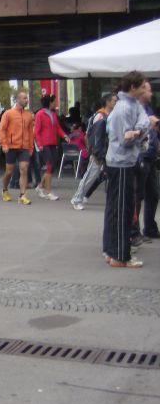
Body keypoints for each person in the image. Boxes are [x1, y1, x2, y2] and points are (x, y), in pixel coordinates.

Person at [103, 71, 150, 268]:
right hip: (121, 163)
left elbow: (143, 123)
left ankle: (112, 251)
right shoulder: (124, 108)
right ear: (133, 88)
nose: (146, 91)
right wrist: (140, 134)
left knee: (117, 209)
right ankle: (120, 256)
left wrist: (139, 131)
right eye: (143, 87)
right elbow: (124, 140)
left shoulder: (130, 105)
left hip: (121, 163)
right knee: (122, 210)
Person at [70, 94, 117, 210]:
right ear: (107, 102)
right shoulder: (101, 117)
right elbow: (96, 137)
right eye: (114, 100)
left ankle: (80, 198)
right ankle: (77, 199)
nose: (116, 102)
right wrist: (97, 152)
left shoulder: (107, 116)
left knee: (95, 176)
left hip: (105, 152)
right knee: (90, 176)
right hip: (100, 153)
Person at [131, 81, 159, 244]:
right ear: (141, 92)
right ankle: (135, 231)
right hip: (141, 157)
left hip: (151, 157)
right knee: (138, 195)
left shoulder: (148, 109)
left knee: (153, 194)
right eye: (148, 90)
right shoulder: (135, 110)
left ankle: (150, 227)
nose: (151, 93)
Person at [0, 90, 34, 205]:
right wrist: (4, 144)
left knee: (24, 168)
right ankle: (4, 189)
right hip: (11, 146)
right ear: (18, 100)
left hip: (24, 147)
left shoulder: (29, 115)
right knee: (9, 171)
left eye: (27, 98)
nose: (26, 100)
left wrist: (31, 147)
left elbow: (30, 132)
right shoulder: (8, 113)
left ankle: (22, 195)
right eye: (24, 98)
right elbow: (2, 129)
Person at [34, 95, 70, 201]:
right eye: (54, 101)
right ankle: (49, 192)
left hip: (53, 143)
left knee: (53, 166)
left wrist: (65, 135)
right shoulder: (40, 114)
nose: (56, 103)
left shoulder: (53, 114)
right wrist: (39, 144)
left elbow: (57, 127)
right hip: (44, 144)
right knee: (49, 166)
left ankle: (40, 186)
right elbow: (36, 131)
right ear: (50, 102)